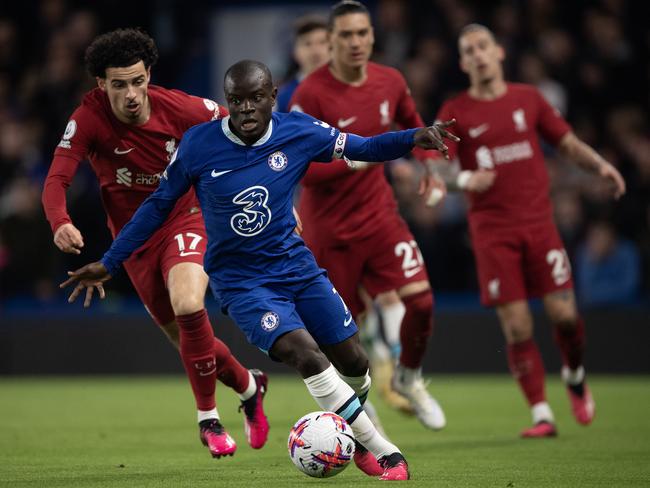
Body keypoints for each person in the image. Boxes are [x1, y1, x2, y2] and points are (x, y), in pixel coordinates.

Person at [59, 60, 457, 481]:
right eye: (236, 101)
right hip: (242, 283)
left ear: (272, 97)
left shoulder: (299, 132)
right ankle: (383, 449)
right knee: (306, 354)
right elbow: (156, 207)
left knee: (355, 359)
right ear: (227, 102)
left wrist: (415, 136)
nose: (245, 109)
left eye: (254, 99)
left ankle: (353, 434)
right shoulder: (198, 144)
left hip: (297, 269)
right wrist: (110, 261)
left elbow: (365, 147)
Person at [41, 28, 269, 458]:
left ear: (150, 76)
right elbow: (57, 177)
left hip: (187, 217)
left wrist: (271, 191)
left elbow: (244, 129)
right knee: (188, 340)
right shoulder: (88, 118)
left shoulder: (181, 108)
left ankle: (208, 420)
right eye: (119, 84)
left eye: (138, 81)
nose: (131, 93)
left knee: (188, 303)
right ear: (101, 84)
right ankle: (250, 385)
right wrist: (59, 221)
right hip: (133, 240)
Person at [431, 24, 626, 437]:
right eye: (470, 50)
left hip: (539, 226)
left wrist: (601, 166)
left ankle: (574, 375)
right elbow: (432, 169)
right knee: (517, 327)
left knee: (565, 316)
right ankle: (541, 413)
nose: (479, 54)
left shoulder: (529, 98)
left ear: (499, 52)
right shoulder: (456, 111)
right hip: (492, 232)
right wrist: (464, 181)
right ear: (463, 62)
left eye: (484, 46)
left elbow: (568, 143)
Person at [289, 0, 446, 429]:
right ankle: (360, 404)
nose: (356, 42)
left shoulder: (390, 81)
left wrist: (431, 169)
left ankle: (409, 378)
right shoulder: (310, 94)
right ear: (333, 41)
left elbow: (416, 129)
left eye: (363, 33)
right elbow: (301, 166)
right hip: (329, 229)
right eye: (346, 35)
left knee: (423, 302)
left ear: (372, 36)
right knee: (343, 335)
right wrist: (361, 159)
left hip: (380, 218)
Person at [275, 15, 330, 113]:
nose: (316, 51)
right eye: (307, 44)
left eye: (322, 42)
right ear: (294, 52)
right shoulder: (280, 99)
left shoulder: (347, 89)